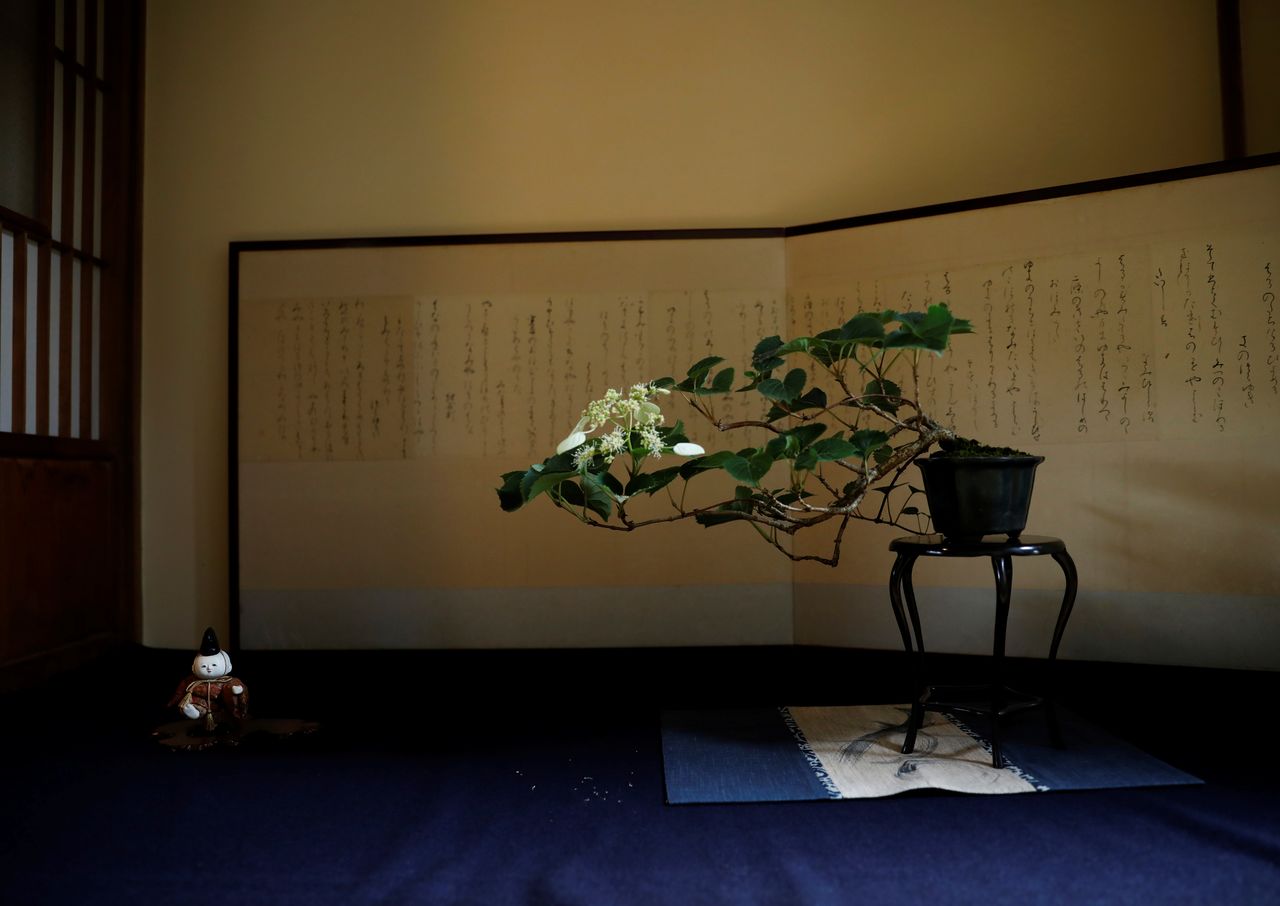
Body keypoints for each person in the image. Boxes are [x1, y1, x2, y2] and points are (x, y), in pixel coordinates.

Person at [168, 627, 249, 734]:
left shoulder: (227, 681)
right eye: (204, 666)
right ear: (194, 667)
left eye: (214, 665)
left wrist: (236, 690)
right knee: (193, 702)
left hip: (221, 707)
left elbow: (234, 685)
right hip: (203, 705)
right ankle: (194, 711)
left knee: (229, 700)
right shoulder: (192, 681)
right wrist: (174, 700)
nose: (209, 668)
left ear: (228, 666)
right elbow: (180, 691)